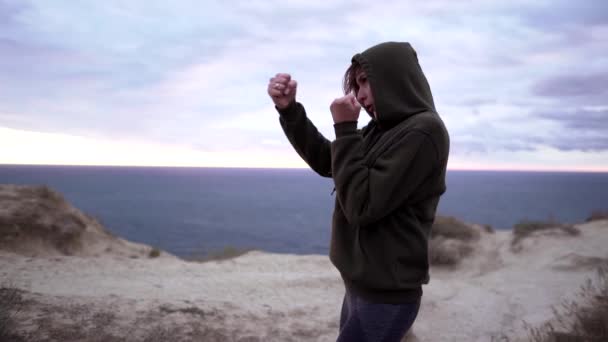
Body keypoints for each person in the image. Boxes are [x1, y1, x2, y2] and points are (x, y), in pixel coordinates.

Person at [267, 41, 450, 342]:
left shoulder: (423, 130)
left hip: (386, 295)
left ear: (394, 77)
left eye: (366, 82)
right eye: (356, 85)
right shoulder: (381, 129)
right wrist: (290, 112)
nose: (359, 95)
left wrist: (345, 128)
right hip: (362, 286)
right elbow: (332, 162)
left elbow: (361, 206)